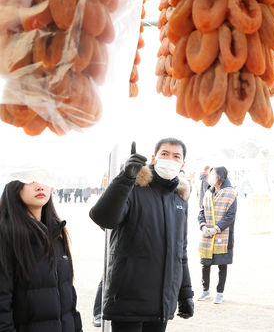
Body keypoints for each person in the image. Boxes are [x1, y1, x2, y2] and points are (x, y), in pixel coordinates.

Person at [90, 139, 194, 331]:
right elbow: (103, 218)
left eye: (176, 156)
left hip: (161, 305)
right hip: (128, 302)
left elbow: (181, 251)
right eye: (164, 154)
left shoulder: (179, 199)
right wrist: (125, 178)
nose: (170, 159)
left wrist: (185, 293)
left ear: (183, 163)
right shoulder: (134, 187)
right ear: (154, 158)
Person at [0, 179, 82, 331]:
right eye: (30, 180)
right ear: (14, 184)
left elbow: (69, 297)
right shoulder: (6, 236)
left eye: (44, 179)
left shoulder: (56, 231)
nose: (39, 186)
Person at [197, 166, 238, 305]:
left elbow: (230, 215)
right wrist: (202, 226)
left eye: (213, 174)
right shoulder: (208, 192)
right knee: (205, 264)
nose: (211, 177)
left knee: (222, 264)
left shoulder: (231, 193)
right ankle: (205, 290)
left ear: (221, 176)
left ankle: (219, 293)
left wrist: (217, 228)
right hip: (206, 234)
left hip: (223, 235)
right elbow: (201, 211)